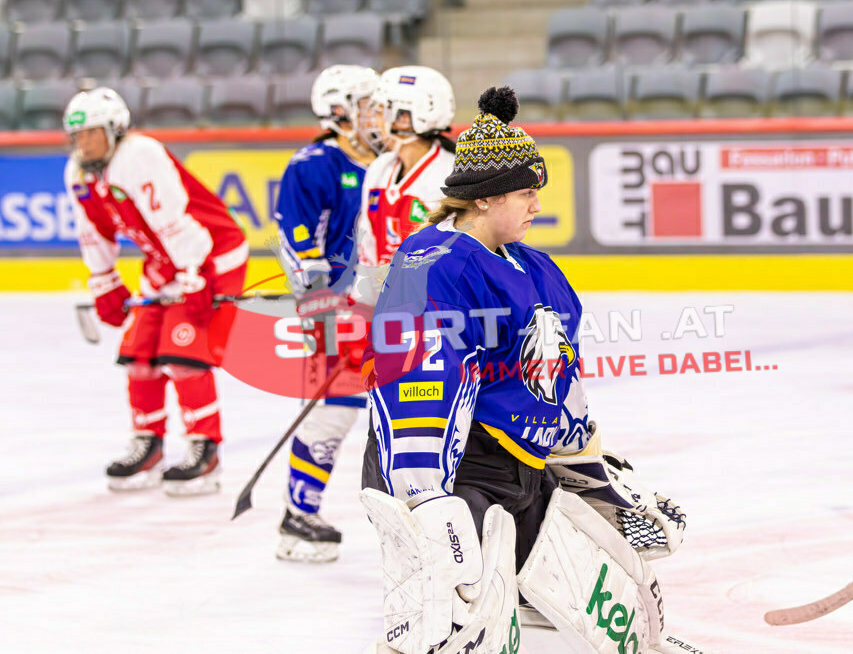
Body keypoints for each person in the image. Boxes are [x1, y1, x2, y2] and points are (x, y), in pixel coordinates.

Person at [358, 88, 688, 653]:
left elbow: (563, 370)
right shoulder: (431, 263)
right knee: (455, 606)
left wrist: (588, 464)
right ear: (484, 199)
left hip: (524, 468)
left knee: (608, 568)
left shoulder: (535, 263)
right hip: (456, 469)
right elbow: (416, 379)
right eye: (525, 193)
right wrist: (425, 496)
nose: (537, 205)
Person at [64, 87, 248, 496]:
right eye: (76, 136)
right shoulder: (78, 174)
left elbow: (174, 221)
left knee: (183, 353)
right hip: (166, 263)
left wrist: (196, 274)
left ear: (115, 129)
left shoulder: (138, 155)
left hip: (211, 253)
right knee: (139, 356)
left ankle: (205, 448)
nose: (83, 144)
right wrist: (104, 280)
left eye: (91, 134)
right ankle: (147, 443)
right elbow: (92, 233)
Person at [272, 65, 381, 562]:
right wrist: (319, 307)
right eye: (367, 105)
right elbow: (298, 242)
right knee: (334, 412)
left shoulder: (392, 162)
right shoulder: (313, 164)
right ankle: (300, 515)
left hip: (396, 306)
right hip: (341, 309)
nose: (378, 114)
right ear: (340, 112)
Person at [354, 65, 457, 307]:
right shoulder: (379, 169)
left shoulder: (450, 174)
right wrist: (362, 305)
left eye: (382, 111)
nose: (374, 120)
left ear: (405, 117)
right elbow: (368, 246)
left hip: (434, 312)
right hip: (384, 311)